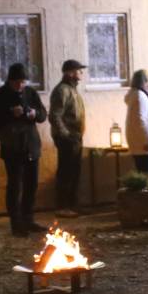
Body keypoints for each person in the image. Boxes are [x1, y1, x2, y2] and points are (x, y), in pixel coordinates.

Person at [0, 62, 48, 236]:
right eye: (17, 82)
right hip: (12, 146)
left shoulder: (30, 93)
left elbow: (43, 115)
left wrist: (34, 114)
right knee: (15, 185)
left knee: (31, 184)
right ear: (9, 81)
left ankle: (28, 219)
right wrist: (10, 114)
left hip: (31, 145)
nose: (20, 85)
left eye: (23, 82)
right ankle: (16, 223)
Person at [48, 58, 87, 216]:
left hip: (74, 136)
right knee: (66, 172)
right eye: (78, 70)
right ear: (70, 73)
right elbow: (55, 116)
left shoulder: (72, 89)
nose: (81, 73)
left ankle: (72, 204)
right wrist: (66, 134)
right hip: (68, 138)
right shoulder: (62, 90)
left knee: (74, 171)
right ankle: (63, 206)